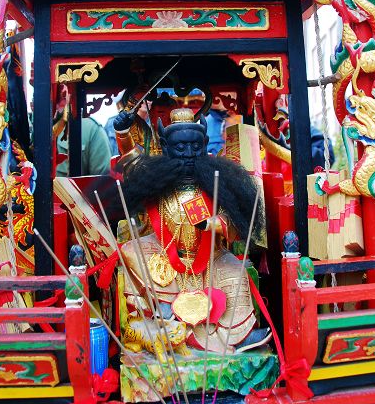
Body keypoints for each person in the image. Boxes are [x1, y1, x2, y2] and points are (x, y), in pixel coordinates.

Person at [110, 106, 270, 355]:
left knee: (235, 271)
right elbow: (132, 163)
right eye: (180, 147)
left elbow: (234, 221)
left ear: (204, 145)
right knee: (131, 250)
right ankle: (161, 313)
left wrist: (212, 224)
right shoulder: (158, 181)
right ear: (166, 147)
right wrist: (122, 133)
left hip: (210, 258)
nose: (188, 154)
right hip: (166, 253)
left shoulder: (216, 182)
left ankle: (237, 335)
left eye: (195, 147)